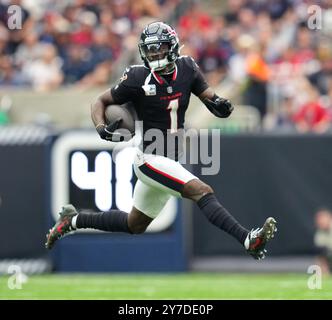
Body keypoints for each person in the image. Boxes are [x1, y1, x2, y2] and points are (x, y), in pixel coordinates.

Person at [45, 22, 277, 260]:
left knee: (134, 223)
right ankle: (248, 239)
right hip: (150, 159)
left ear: (173, 47)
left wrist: (220, 105)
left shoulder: (187, 68)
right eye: (151, 50)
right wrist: (101, 127)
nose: (155, 54)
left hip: (172, 157)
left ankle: (72, 220)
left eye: (160, 48)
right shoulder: (137, 77)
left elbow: (211, 99)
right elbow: (99, 102)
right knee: (201, 190)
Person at [314, 208, 332, 274]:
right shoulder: (319, 234)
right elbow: (320, 254)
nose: (321, 222)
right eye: (319, 220)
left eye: (322, 219)